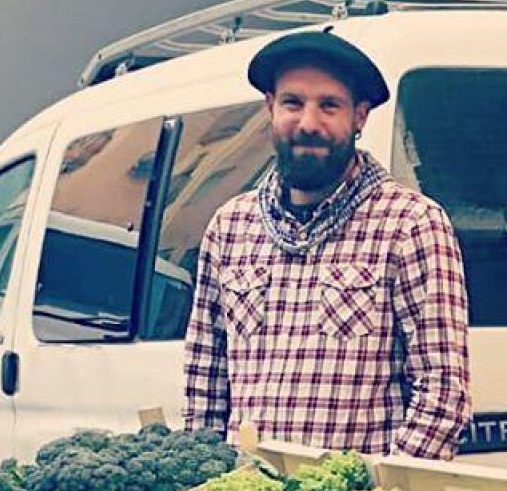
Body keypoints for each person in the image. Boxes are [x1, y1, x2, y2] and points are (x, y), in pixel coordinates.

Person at [182, 28, 471, 459]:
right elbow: (205, 379)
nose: (308, 124)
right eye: (292, 103)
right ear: (270, 108)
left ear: (359, 117)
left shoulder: (410, 223)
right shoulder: (230, 227)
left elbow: (444, 393)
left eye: (329, 106)